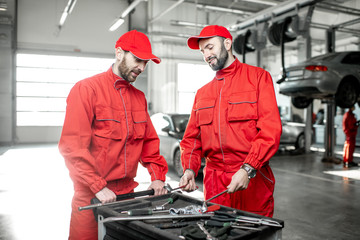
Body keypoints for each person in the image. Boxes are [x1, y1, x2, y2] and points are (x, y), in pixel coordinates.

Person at [58, 30, 168, 240]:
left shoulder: (139, 98)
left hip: (127, 196)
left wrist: (158, 178)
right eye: (138, 60)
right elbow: (72, 147)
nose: (142, 68)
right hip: (91, 196)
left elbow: (149, 144)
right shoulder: (87, 90)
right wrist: (98, 187)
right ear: (119, 53)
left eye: (146, 63)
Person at [179, 25, 282, 217]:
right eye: (202, 51)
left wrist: (248, 168)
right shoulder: (202, 93)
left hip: (252, 180)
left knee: (254, 233)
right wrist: (189, 169)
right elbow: (192, 139)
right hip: (215, 182)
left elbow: (270, 131)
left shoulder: (259, 78)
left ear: (227, 43)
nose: (206, 55)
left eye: (210, 47)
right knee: (217, 231)